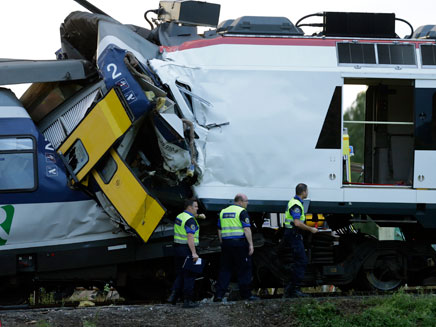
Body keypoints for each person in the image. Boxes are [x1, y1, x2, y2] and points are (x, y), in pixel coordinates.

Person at [214, 193, 258, 301]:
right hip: (239, 244)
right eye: (246, 201)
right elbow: (247, 229)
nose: (247, 203)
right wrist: (251, 244)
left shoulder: (223, 212)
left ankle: (219, 295)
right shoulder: (242, 212)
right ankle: (246, 295)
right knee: (244, 269)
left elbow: (219, 229)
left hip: (226, 244)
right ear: (240, 201)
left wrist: (222, 242)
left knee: (225, 269)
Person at [283, 183, 318, 298]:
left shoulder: (294, 202)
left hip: (293, 234)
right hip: (294, 235)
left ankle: (290, 289)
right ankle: (294, 290)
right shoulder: (296, 204)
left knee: (298, 261)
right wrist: (311, 229)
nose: (307, 193)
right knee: (301, 261)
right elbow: (297, 223)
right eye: (307, 191)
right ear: (303, 192)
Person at [167, 198, 201, 308]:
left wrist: (199, 216)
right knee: (189, 275)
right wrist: (194, 253)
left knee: (181, 274)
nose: (197, 208)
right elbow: (190, 237)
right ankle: (188, 301)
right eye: (195, 207)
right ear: (190, 207)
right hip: (187, 249)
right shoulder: (190, 220)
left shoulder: (180, 216)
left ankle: (173, 297)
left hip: (178, 249)